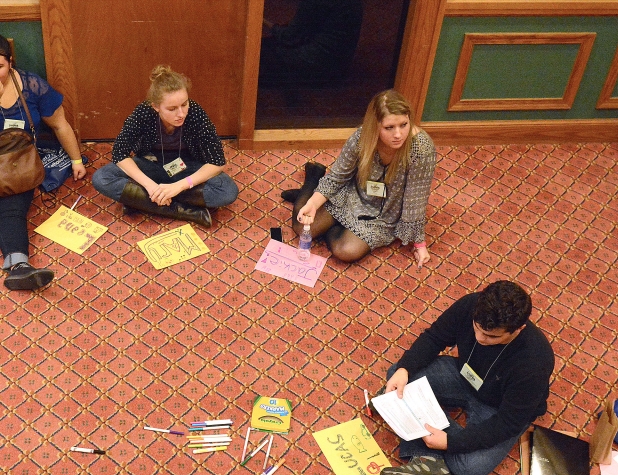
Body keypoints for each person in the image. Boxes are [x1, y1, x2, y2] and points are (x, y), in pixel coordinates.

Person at [379, 280, 555, 475]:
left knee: (470, 467)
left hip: (498, 409)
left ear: (518, 329)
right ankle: (431, 458)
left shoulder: (534, 362)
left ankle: (424, 446)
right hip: (463, 376)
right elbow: (435, 337)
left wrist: (452, 442)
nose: (480, 338)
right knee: (398, 374)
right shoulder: (471, 305)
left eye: (492, 336)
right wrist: (405, 368)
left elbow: (508, 423)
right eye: (477, 329)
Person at [282, 89, 435, 265]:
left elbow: (416, 199)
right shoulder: (361, 137)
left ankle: (315, 190)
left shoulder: (421, 148)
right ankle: (312, 182)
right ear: (375, 125)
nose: (398, 134)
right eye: (389, 127)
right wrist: (314, 203)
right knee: (302, 227)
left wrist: (419, 243)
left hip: (385, 216)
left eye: (404, 124)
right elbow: (338, 177)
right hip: (352, 195)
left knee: (345, 251)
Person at [92, 65, 238, 227]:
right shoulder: (143, 113)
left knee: (227, 191)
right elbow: (120, 153)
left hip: (185, 166)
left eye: (184, 104)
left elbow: (217, 162)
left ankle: (139, 202)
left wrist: (178, 186)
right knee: (102, 178)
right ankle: (187, 212)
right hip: (150, 164)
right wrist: (151, 186)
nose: (181, 113)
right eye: (172, 109)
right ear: (156, 107)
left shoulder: (195, 113)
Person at [0, 35, 86, 291]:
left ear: (10, 63)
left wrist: (76, 160)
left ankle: (19, 267)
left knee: (12, 206)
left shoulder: (31, 85)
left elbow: (60, 124)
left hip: (18, 162)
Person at [260, 0, 363, 87]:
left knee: (256, 52)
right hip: (341, 64)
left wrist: (263, 21)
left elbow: (290, 37)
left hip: (320, 67)